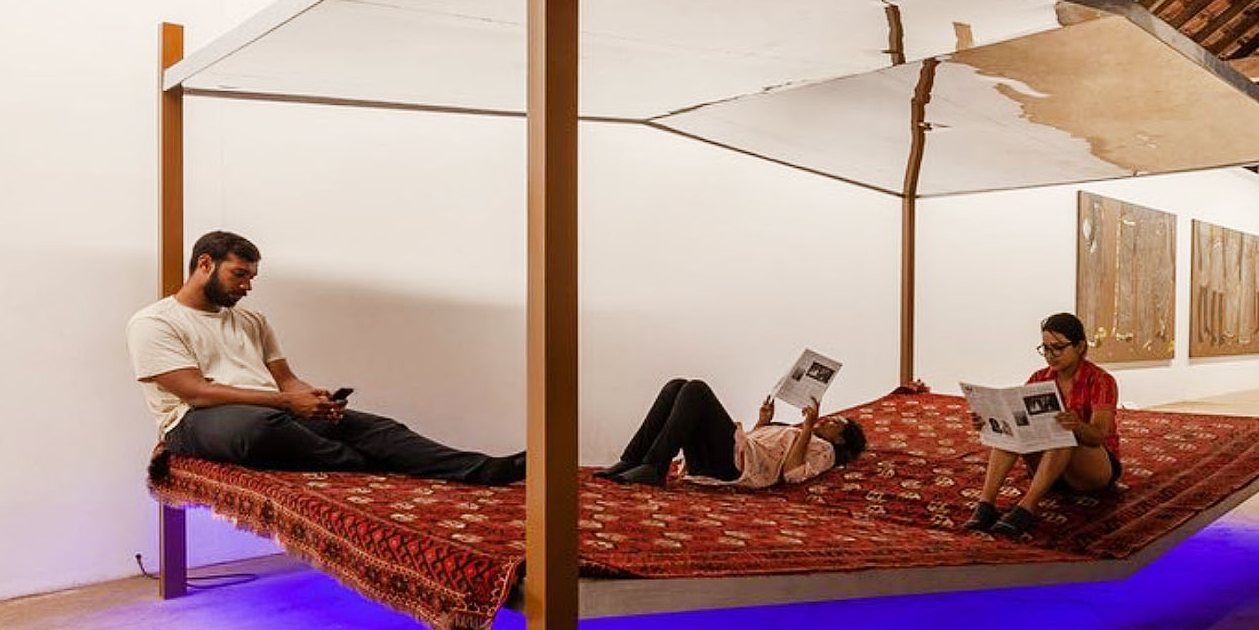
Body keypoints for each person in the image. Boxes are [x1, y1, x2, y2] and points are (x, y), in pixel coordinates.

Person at [127, 231, 525, 485]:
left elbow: (286, 379)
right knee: (260, 427)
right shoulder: (154, 321)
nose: (247, 286)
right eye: (239, 275)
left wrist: (312, 398)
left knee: (379, 428)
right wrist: (287, 403)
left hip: (271, 410)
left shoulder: (252, 320)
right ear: (205, 265)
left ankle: (485, 469)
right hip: (194, 422)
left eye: (251, 277)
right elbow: (196, 392)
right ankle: (367, 464)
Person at [964, 311, 1121, 538]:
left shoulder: (1101, 380)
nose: (1050, 355)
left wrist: (1077, 425)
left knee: (1062, 435)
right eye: (1045, 348)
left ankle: (1026, 508)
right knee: (1010, 432)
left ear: (1080, 347)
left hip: (1092, 469)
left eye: (1058, 348)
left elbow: (1098, 436)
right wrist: (989, 421)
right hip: (1050, 468)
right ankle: (985, 504)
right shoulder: (1039, 378)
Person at [596, 379, 866, 488]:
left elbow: (792, 473)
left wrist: (807, 428)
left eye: (836, 423)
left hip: (731, 468)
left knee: (697, 390)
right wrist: (763, 423)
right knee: (677, 386)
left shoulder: (826, 450)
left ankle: (655, 468)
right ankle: (632, 460)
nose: (828, 420)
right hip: (728, 458)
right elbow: (761, 451)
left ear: (840, 438)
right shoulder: (793, 431)